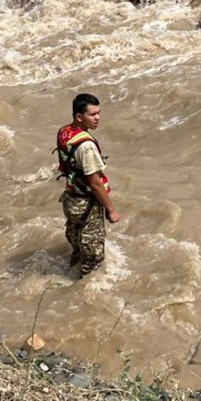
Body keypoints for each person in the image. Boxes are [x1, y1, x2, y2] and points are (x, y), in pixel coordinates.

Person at [55, 93, 119, 275]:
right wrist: (111, 210)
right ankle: (80, 290)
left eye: (98, 113)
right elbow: (95, 183)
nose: (98, 118)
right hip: (87, 205)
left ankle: (70, 274)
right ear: (78, 116)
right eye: (92, 114)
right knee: (93, 258)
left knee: (78, 245)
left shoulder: (65, 131)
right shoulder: (86, 147)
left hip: (71, 200)